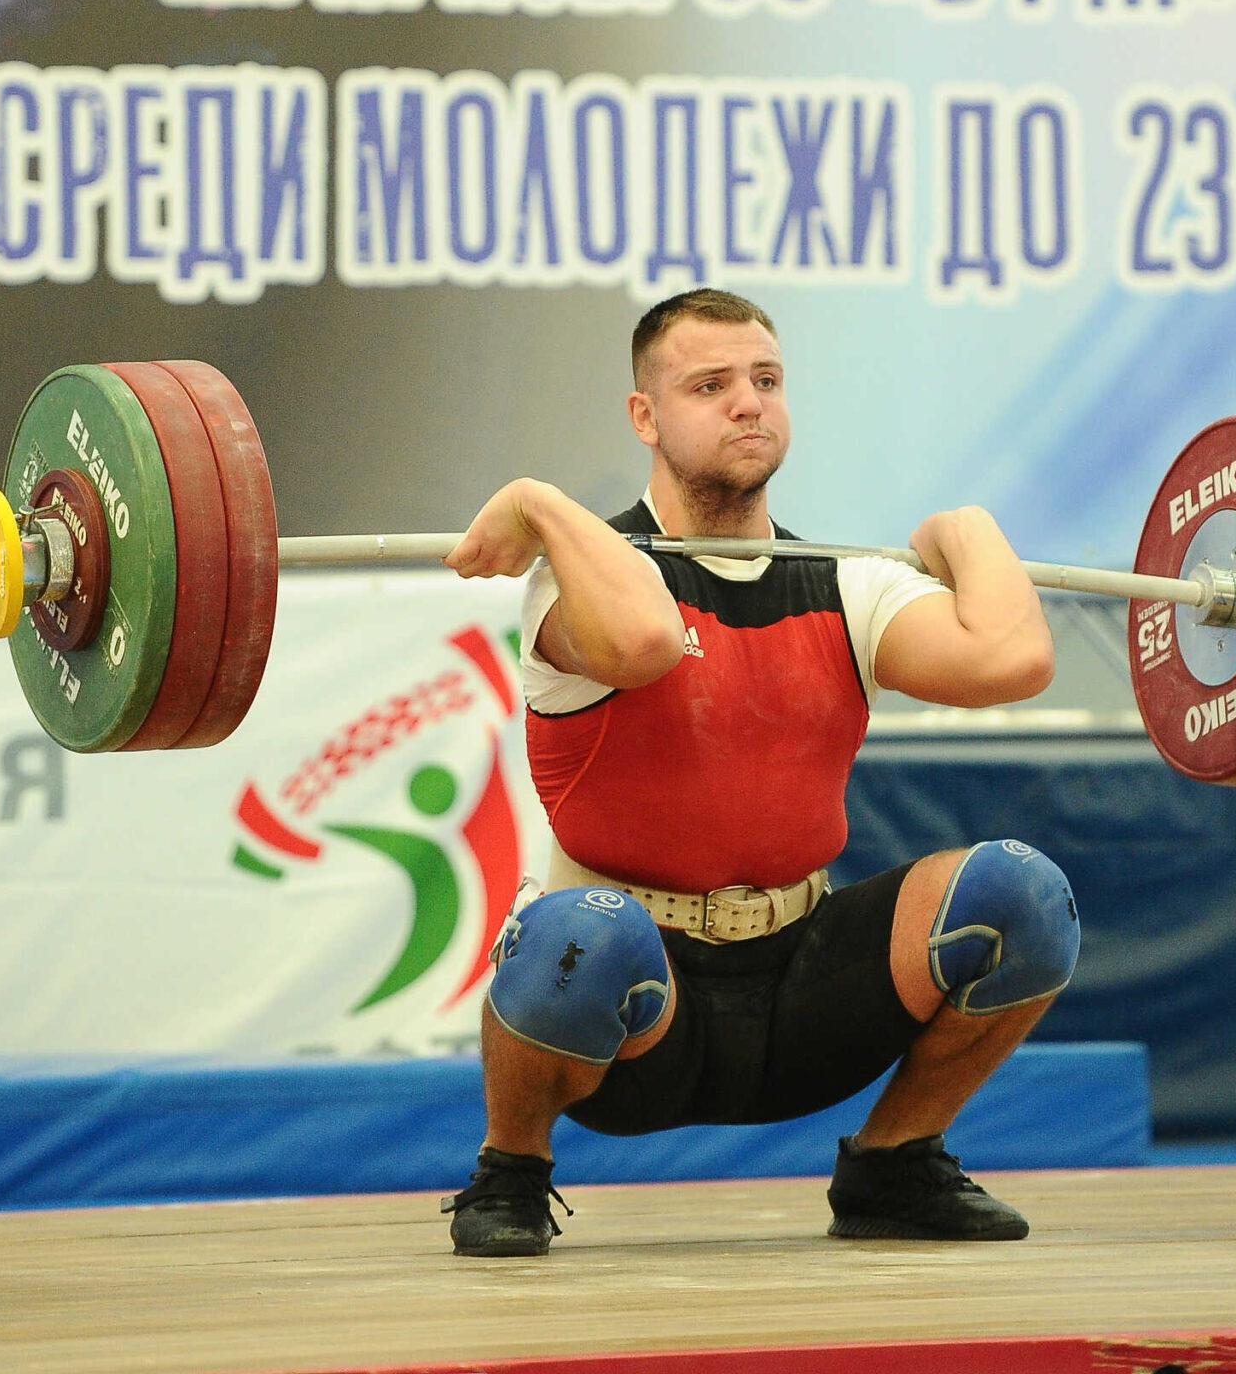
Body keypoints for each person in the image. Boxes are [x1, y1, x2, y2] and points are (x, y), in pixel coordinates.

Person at [440, 286, 1079, 1255]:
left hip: (803, 990)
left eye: (766, 380)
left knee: (1024, 895)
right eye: (710, 385)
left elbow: (1011, 659)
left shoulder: (846, 584)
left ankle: (893, 1165)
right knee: (576, 931)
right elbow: (645, 641)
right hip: (632, 1009)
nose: (748, 403)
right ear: (644, 416)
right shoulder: (579, 584)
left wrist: (963, 526)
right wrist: (539, 501)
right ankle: (511, 1172)